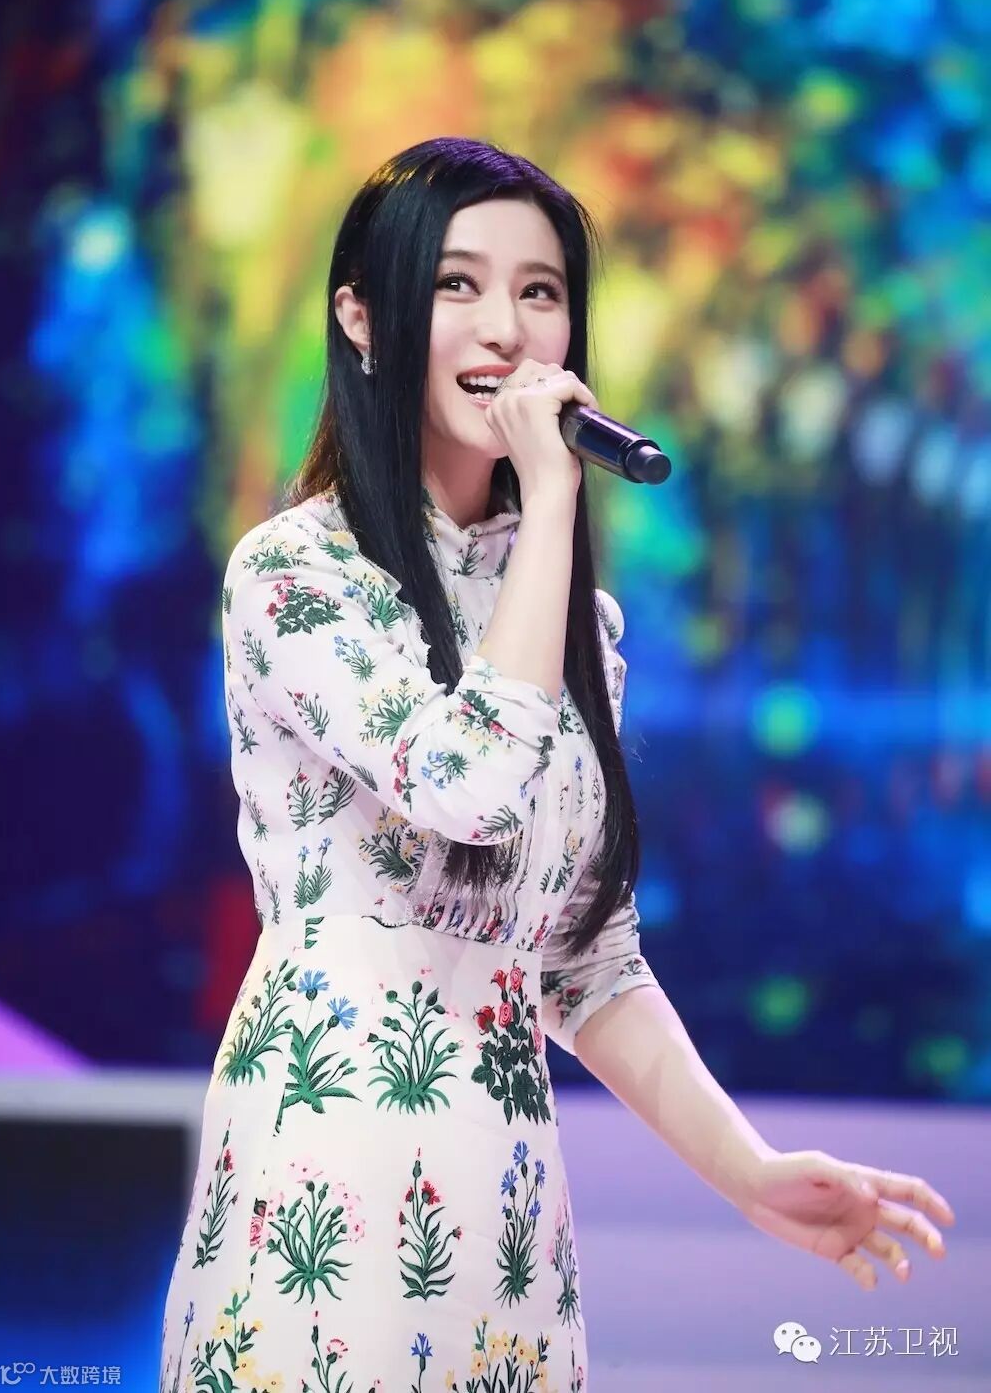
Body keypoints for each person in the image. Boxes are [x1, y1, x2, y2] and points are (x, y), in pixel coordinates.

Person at [159, 137, 955, 1393]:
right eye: (458, 284)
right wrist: (552, 504)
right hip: (332, 1173)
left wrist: (748, 1173)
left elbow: (584, 959)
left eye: (539, 291)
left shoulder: (574, 624)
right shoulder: (296, 576)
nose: (507, 327)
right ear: (361, 319)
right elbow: (466, 786)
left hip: (510, 1207)